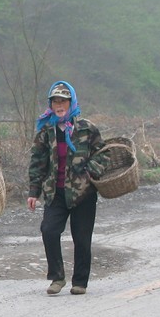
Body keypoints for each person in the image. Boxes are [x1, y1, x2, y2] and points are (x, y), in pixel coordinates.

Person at [27, 81, 107, 296]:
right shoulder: (46, 131)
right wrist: (34, 191)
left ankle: (80, 281)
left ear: (71, 102)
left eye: (63, 100)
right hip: (55, 192)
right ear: (51, 104)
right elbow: (37, 162)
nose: (59, 104)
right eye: (55, 101)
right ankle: (57, 277)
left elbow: (103, 153)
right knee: (48, 231)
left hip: (83, 193)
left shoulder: (86, 128)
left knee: (82, 238)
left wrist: (91, 170)